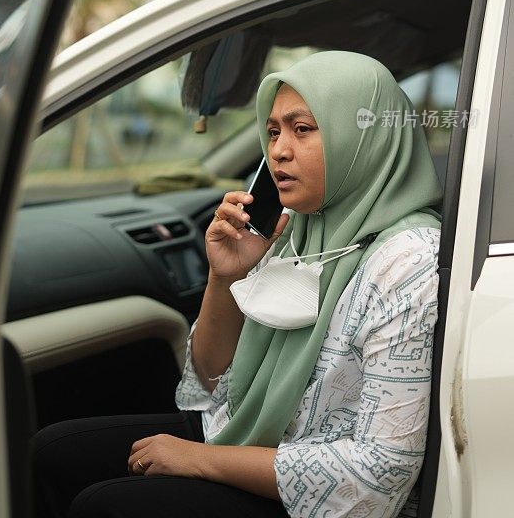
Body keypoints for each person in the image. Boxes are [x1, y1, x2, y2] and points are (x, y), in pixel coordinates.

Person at [32, 50, 442, 518]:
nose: (278, 151)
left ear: (363, 137)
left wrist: (201, 460)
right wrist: (226, 277)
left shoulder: (408, 260)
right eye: (272, 132)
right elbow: (212, 383)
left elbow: (378, 473)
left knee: (104, 506)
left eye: (302, 129)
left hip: (329, 490)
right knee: (51, 453)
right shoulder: (301, 232)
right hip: (259, 433)